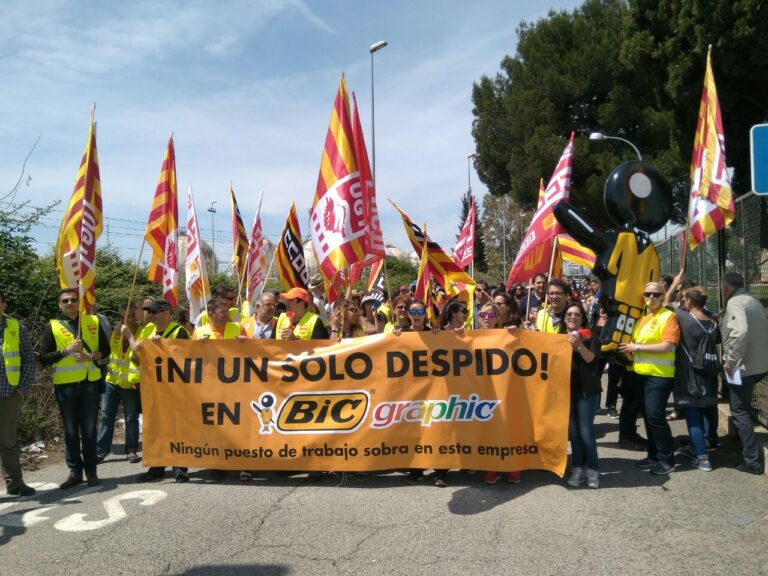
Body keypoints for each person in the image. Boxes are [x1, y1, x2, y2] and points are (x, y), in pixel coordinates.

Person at [39, 288, 110, 489]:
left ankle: (91, 471)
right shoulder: (52, 327)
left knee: (88, 430)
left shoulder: (93, 322)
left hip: (89, 383)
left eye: (73, 300)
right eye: (65, 300)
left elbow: (106, 350)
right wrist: (66, 351)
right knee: (70, 431)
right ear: (59, 305)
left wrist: (90, 356)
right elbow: (43, 358)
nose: (69, 303)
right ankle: (75, 472)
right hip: (66, 387)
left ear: (79, 302)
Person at [618, 281, 680, 476]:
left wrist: (636, 348)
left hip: (659, 376)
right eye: (647, 294)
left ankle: (666, 459)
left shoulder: (668, 316)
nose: (651, 297)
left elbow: (668, 346)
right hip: (640, 374)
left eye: (655, 294)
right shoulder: (642, 317)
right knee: (648, 417)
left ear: (663, 297)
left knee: (655, 417)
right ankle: (653, 455)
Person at [129, 299, 191, 482]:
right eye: (149, 312)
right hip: (153, 388)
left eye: (154, 312)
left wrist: (161, 345)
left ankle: (180, 467)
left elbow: (187, 359)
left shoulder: (179, 331)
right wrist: (135, 351)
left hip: (174, 388)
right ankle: (156, 466)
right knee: (155, 428)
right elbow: (138, 361)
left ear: (166, 313)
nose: (151, 315)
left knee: (177, 428)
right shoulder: (147, 330)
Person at [720, 272, 768, 475]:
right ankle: (744, 445)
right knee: (744, 408)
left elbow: (739, 332)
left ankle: (752, 461)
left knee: (739, 410)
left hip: (741, 367)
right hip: (759, 364)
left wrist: (730, 360)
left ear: (725, 289)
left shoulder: (734, 303)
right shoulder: (752, 299)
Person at [672, 284, 720, 472]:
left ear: (690, 301)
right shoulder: (713, 322)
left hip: (690, 376)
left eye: (684, 299)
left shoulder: (685, 318)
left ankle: (703, 458)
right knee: (707, 411)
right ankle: (699, 446)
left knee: (693, 418)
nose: (682, 302)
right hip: (709, 375)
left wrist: (675, 283)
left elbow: (666, 302)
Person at [477, 302, 522, 486]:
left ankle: (513, 469)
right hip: (480, 392)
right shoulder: (471, 336)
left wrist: (518, 332)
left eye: (491, 316)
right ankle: (491, 468)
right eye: (484, 316)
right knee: (488, 431)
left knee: (507, 430)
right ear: (479, 318)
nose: (487, 319)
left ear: (497, 317)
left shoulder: (507, 334)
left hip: (504, 390)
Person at [0, 290, 37, 496]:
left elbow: (29, 360)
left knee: (8, 443)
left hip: (8, 395)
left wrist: (22, 388)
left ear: (4, 304)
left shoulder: (16, 327)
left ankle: (15, 484)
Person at [96, 303, 142, 464]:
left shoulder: (141, 332)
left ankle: (131, 449)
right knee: (106, 416)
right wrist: (113, 335)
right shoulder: (116, 332)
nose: (124, 320)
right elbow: (108, 352)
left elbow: (139, 357)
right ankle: (101, 450)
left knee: (131, 418)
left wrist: (130, 336)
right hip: (112, 381)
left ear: (135, 317)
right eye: (121, 317)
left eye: (128, 316)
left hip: (130, 383)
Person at [563, 302, 602, 489]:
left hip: (587, 391)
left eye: (576, 314)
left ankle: (593, 468)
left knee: (586, 433)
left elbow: (592, 360)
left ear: (582, 318)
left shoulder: (590, 336)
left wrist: (578, 345)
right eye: (569, 314)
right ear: (564, 318)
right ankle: (577, 468)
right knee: (574, 434)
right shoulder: (557, 338)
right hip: (566, 392)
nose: (572, 317)